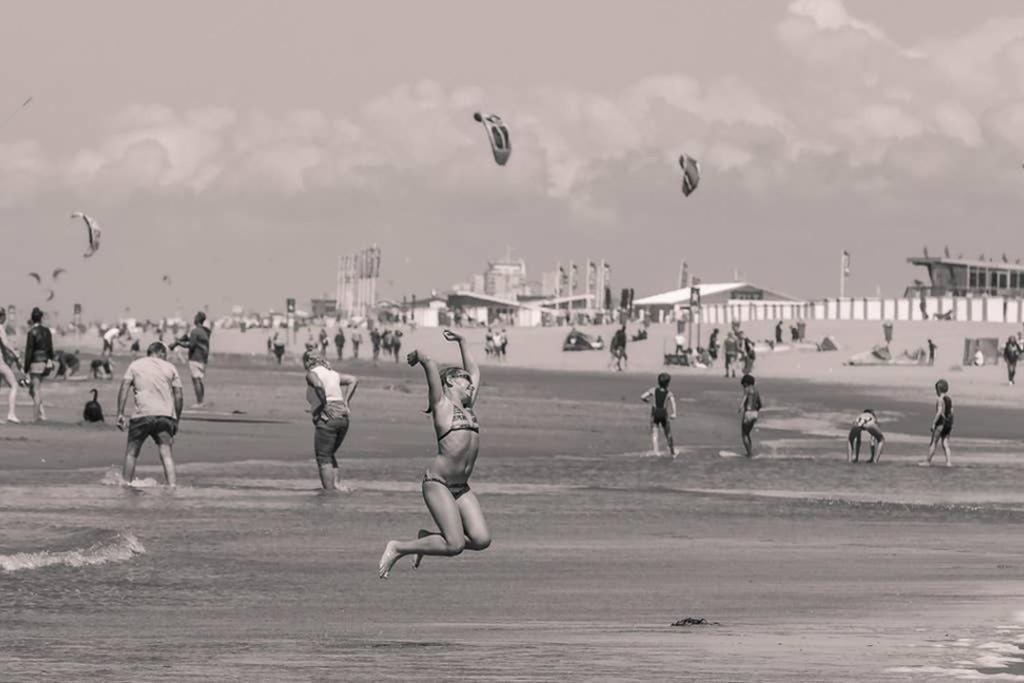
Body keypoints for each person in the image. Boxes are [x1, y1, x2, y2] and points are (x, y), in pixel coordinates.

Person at [378, 329, 490, 579]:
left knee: (482, 539)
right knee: (455, 545)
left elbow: (475, 372)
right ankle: (399, 547)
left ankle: (429, 540)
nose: (471, 385)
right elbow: (430, 364)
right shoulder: (442, 406)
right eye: (465, 382)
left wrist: (463, 342)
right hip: (438, 483)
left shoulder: (469, 407)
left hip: (461, 487)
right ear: (450, 382)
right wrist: (420, 356)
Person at [116, 342, 183, 486]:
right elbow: (179, 396)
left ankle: (126, 485)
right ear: (161, 353)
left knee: (132, 453)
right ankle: (172, 487)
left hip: (142, 414)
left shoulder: (135, 365)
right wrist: (176, 420)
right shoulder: (171, 367)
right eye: (165, 355)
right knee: (166, 454)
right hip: (165, 416)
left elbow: (124, 387)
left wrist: (120, 413)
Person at [303, 350, 359, 490]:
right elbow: (353, 380)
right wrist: (346, 402)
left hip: (329, 417)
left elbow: (318, 385)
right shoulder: (333, 374)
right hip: (343, 417)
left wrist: (325, 404)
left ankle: (329, 492)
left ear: (309, 362)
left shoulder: (312, 374)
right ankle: (336, 485)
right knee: (329, 454)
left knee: (323, 457)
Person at [170, 312, 211, 408]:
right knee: (199, 380)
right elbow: (190, 338)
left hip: (195, 358)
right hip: (203, 359)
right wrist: (178, 341)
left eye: (195, 317)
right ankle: (201, 401)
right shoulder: (205, 332)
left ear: (197, 319)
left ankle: (199, 402)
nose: (194, 319)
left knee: (196, 380)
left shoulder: (195, 331)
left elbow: (191, 345)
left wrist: (178, 343)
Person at [23, 307, 54, 422]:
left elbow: (29, 351)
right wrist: (50, 360)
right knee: (35, 389)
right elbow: (50, 348)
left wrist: (26, 368)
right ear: (41, 318)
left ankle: (35, 417)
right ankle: (42, 414)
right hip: (45, 363)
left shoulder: (32, 332)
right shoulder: (47, 331)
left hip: (35, 363)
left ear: (32, 319)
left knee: (35, 390)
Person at [641, 373, 677, 456]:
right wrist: (674, 413)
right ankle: (672, 452)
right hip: (663, 414)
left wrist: (646, 401)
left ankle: (656, 452)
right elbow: (673, 402)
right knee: (668, 433)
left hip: (655, 413)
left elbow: (642, 396)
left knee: (655, 433)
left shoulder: (653, 390)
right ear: (668, 383)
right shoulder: (669, 393)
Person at [921, 379, 953, 467]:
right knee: (945, 444)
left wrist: (934, 423)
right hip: (948, 424)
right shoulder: (949, 399)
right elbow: (952, 412)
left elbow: (939, 412)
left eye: (936, 390)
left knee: (933, 442)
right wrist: (950, 423)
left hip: (940, 424)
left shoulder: (940, 399)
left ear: (938, 390)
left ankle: (928, 461)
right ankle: (949, 462)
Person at [0, 307, 24, 423]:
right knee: (14, 385)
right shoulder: (0, 327)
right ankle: (11, 414)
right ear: (2, 316)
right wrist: (16, 354)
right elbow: (5, 344)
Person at [738, 374, 762, 458]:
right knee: (747, 434)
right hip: (755, 413)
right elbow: (760, 404)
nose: (743, 386)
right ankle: (749, 452)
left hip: (748, 413)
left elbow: (745, 398)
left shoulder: (747, 389)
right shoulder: (756, 390)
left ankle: (749, 453)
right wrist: (756, 412)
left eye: (743, 384)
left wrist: (740, 407)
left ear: (746, 383)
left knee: (744, 434)